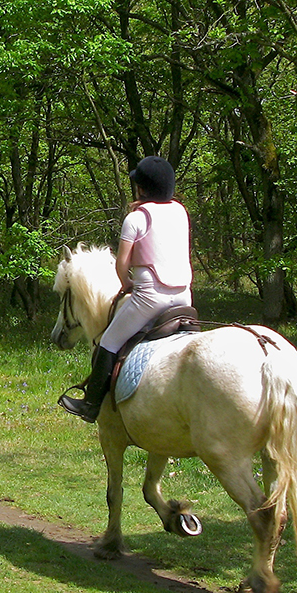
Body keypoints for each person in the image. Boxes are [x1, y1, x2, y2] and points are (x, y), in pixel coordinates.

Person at [60, 155, 192, 423]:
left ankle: (90, 405)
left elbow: (122, 266)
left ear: (142, 188)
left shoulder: (135, 219)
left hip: (150, 298)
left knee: (108, 341)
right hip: (184, 296)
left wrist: (128, 284)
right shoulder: (181, 212)